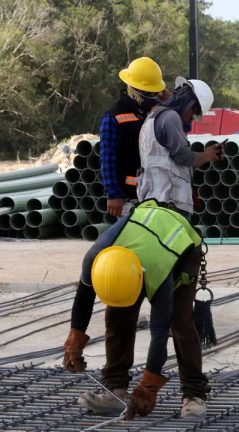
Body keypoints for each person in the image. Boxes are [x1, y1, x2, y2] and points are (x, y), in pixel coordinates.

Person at [63, 199, 216, 419]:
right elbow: (83, 298)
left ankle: (194, 394)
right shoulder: (96, 257)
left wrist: (148, 388)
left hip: (182, 250)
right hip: (143, 236)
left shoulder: (159, 275)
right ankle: (114, 390)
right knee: (118, 318)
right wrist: (74, 342)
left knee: (180, 322)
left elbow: (159, 334)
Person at [137, 77, 221, 218]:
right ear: (190, 104)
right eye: (194, 113)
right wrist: (208, 155)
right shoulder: (170, 117)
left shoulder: (153, 117)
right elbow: (183, 156)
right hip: (169, 201)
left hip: (153, 197)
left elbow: (169, 161)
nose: (192, 119)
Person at [100, 57, 168, 217]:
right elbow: (107, 159)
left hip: (157, 192)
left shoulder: (154, 112)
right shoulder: (114, 116)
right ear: (134, 90)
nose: (153, 96)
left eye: (155, 93)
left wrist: (170, 104)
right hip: (128, 197)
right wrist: (113, 194)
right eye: (149, 93)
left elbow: (180, 129)